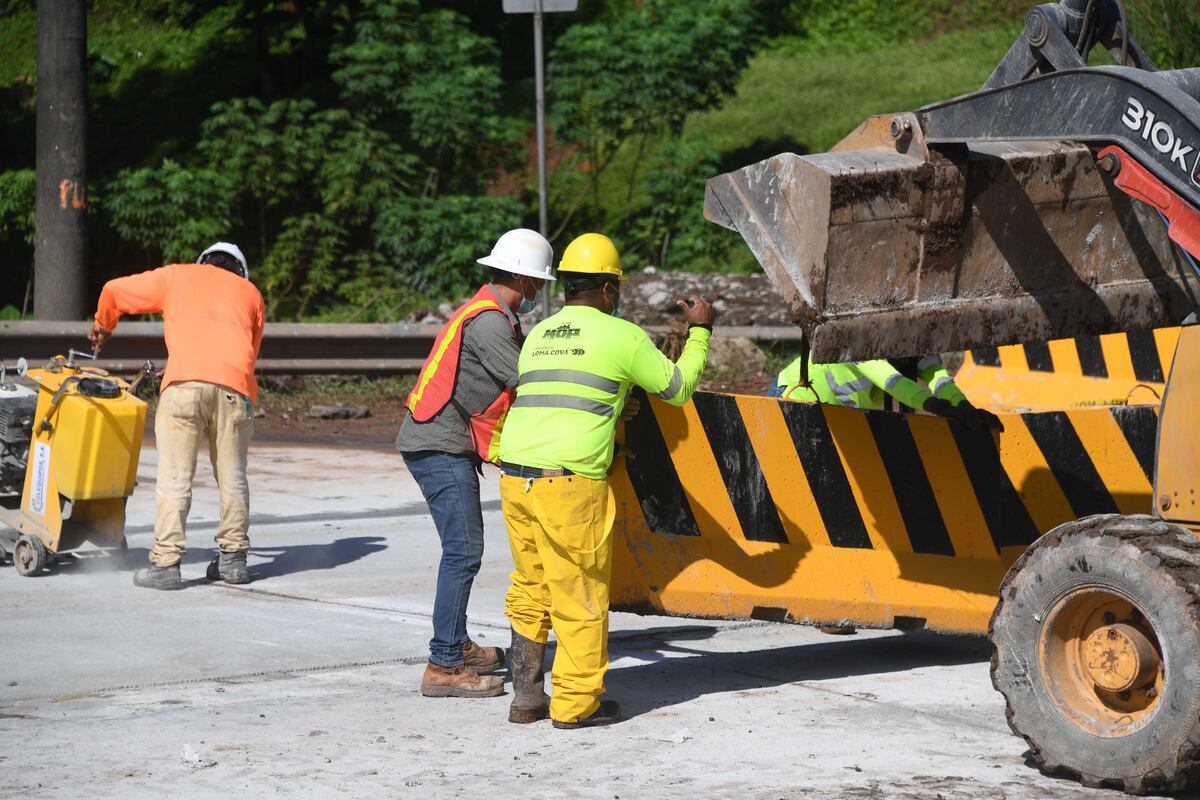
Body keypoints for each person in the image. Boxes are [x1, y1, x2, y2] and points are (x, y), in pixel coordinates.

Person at [498, 232, 715, 729]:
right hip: (569, 487)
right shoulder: (622, 335)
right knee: (580, 595)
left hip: (515, 476)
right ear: (609, 289)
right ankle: (576, 706)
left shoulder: (540, 335)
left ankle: (526, 697)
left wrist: (617, 409)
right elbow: (678, 388)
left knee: (531, 588)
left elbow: (564, 401)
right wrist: (700, 331)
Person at [398, 228, 555, 699]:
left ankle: (455, 643)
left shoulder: (491, 313)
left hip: (441, 442)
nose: (541, 289)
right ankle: (443, 664)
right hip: (438, 445)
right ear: (524, 278)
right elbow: (529, 380)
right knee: (463, 551)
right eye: (540, 281)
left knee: (462, 549)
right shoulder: (489, 323)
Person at [89, 242, 265, 590]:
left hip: (182, 390)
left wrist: (103, 326)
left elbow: (113, 291)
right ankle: (233, 561)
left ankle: (167, 564)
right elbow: (244, 354)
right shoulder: (252, 294)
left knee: (175, 478)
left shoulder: (178, 276)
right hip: (234, 391)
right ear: (240, 271)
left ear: (204, 262)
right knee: (233, 478)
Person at [770, 352, 1002, 430]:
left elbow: (940, 380)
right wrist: (937, 407)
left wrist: (964, 407)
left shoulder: (918, 342)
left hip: (836, 414)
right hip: (794, 399)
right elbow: (892, 382)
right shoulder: (861, 343)